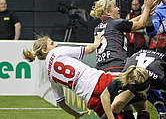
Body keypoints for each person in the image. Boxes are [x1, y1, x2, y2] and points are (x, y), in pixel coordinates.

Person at [22, 33, 151, 119]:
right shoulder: (57, 52)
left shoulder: (50, 75)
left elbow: (61, 102)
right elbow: (88, 50)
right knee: (139, 95)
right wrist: (96, 42)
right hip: (98, 81)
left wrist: (76, 114)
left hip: (90, 99)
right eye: (51, 43)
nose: (55, 44)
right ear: (45, 50)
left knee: (120, 112)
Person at [114, 49, 166, 119]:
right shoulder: (125, 76)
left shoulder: (160, 79)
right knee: (118, 104)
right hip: (139, 66)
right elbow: (105, 96)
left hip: (162, 69)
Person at [89, 0, 155, 72]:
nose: (118, 9)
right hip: (116, 66)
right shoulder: (116, 23)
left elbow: (128, 23)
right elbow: (141, 24)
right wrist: (147, 7)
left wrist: (145, 14)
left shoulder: (98, 28)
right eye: (115, 7)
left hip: (101, 69)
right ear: (108, 12)